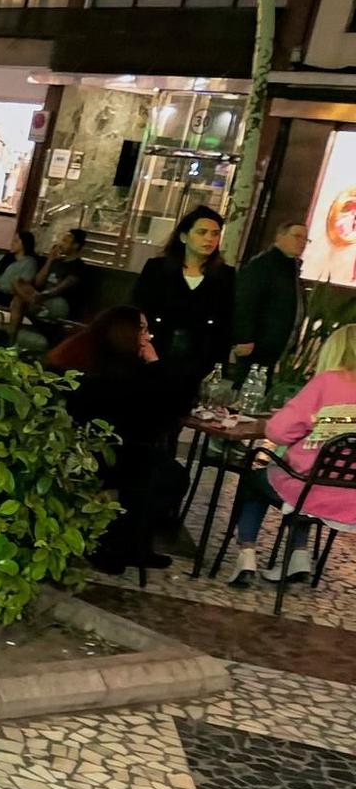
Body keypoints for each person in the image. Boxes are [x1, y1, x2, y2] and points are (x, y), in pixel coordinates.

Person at [45, 307, 186, 575]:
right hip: (92, 449)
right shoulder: (116, 369)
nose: (147, 336)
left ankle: (132, 543)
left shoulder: (86, 352)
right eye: (142, 329)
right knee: (166, 476)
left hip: (96, 444)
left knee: (159, 472)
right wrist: (154, 365)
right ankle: (111, 544)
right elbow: (162, 407)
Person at [223, 325, 356, 585]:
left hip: (308, 487)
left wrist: (309, 423)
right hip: (349, 497)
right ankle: (298, 557)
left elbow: (278, 431)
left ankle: (246, 554)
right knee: (305, 486)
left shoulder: (327, 383)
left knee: (258, 481)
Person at [134, 206, 236, 391]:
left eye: (215, 234)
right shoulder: (157, 268)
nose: (209, 239)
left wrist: (219, 366)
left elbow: (226, 323)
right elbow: (137, 308)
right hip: (157, 350)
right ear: (184, 236)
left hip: (200, 358)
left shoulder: (225, 275)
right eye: (202, 232)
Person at [232, 219, 305, 378]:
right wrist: (245, 337)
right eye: (297, 236)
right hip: (259, 342)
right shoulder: (263, 265)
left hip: (275, 343)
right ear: (280, 237)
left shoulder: (291, 266)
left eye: (305, 239)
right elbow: (245, 301)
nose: (302, 242)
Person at [7, 227, 94, 335]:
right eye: (62, 240)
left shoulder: (78, 266)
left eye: (65, 241)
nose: (61, 244)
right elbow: (38, 283)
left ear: (75, 245)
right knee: (17, 285)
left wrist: (43, 295)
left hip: (59, 302)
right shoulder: (56, 262)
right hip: (41, 299)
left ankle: (34, 305)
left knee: (20, 300)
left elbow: (62, 288)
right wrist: (50, 260)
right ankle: (10, 338)